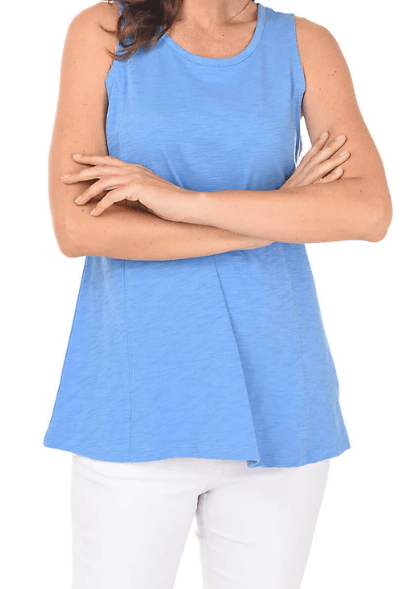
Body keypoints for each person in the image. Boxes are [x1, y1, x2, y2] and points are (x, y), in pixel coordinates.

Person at [43, 1, 392, 587]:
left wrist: (183, 203)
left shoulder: (306, 44)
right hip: (137, 398)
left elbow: (368, 211)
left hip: (279, 400)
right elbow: (79, 228)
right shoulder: (104, 31)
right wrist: (276, 216)